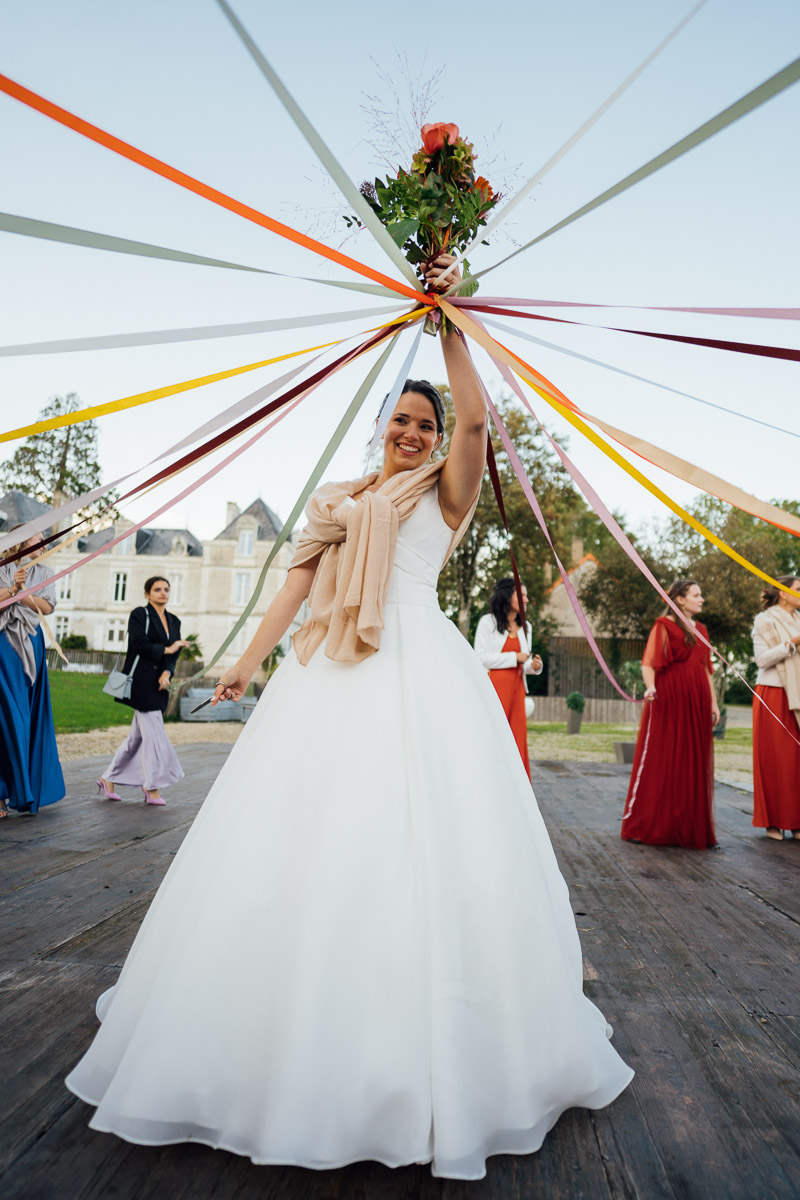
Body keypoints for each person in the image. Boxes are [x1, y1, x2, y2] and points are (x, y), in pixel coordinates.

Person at [67, 257, 632, 1181]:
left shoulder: (444, 494)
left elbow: (478, 421)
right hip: (328, 667)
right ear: (381, 429)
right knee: (299, 833)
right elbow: (295, 587)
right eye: (400, 421)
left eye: (424, 425)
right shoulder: (339, 502)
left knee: (424, 836)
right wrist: (246, 661)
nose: (413, 433)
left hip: (420, 665)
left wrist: (449, 319)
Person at [621, 579, 719, 849]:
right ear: (680, 600)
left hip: (697, 699)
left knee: (691, 759)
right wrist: (651, 687)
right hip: (670, 697)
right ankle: (653, 824)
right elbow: (648, 663)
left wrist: (713, 703)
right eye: (696, 595)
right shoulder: (664, 625)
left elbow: (705, 668)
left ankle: (685, 826)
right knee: (664, 757)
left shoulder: (702, 630)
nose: (702, 599)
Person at [97, 576, 187, 806]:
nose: (163, 593)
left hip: (159, 683)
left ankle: (108, 778)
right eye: (157, 589)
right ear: (147, 593)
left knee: (136, 738)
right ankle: (151, 786)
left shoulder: (174, 620)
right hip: (140, 681)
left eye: (166, 589)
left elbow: (174, 654)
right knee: (154, 734)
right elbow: (138, 644)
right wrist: (167, 649)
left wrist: (167, 672)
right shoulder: (140, 614)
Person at [0, 533, 65, 818]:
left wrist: (20, 593)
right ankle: (2, 793)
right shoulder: (1, 568)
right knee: (8, 715)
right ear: (20, 542)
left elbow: (47, 607)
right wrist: (13, 588)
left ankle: (23, 788)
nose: (44, 544)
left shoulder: (45, 572)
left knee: (25, 714)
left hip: (31, 641)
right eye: (36, 539)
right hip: (3, 642)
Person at [474, 578, 543, 772]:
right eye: (521, 595)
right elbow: (480, 658)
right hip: (495, 690)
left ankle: (517, 784)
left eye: (526, 596)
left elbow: (524, 663)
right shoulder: (487, 622)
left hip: (517, 690)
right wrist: (514, 657)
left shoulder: (526, 626)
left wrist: (535, 666)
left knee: (517, 738)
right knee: (494, 737)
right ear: (506, 596)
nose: (526, 600)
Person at [751, 576, 800, 840]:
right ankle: (772, 822)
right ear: (782, 593)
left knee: (795, 761)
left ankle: (796, 821)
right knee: (774, 759)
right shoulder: (765, 620)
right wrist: (793, 642)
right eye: (798, 589)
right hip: (773, 692)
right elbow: (762, 659)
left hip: (798, 694)